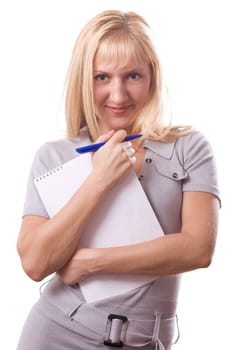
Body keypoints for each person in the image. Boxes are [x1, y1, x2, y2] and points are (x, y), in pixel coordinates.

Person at [16, 9, 220, 350]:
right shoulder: (53, 156)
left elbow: (198, 249)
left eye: (133, 76)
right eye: (102, 77)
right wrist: (98, 181)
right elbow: (35, 263)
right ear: (84, 79)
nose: (118, 95)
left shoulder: (188, 147)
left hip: (146, 341)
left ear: (152, 76)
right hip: (56, 332)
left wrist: (90, 263)